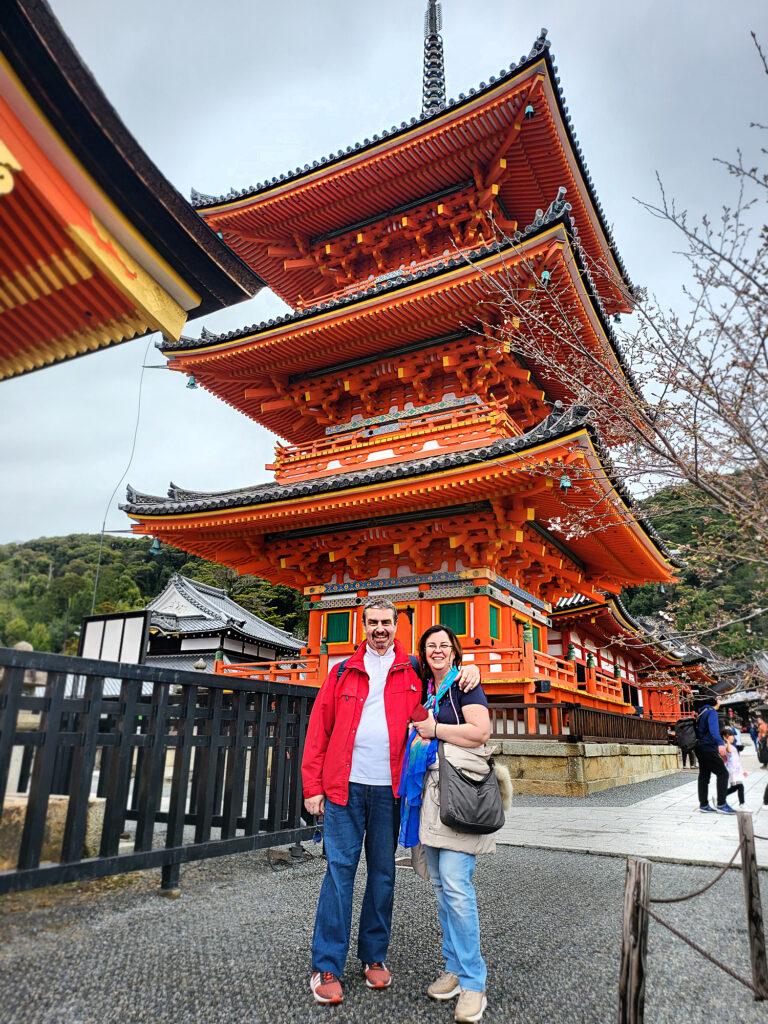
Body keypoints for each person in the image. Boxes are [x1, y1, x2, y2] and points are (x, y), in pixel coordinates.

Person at [300, 598, 480, 1005]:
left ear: (396, 626)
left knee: (383, 873)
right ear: (361, 626)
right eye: (372, 622)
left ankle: (373, 956)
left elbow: (443, 685)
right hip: (344, 785)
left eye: (386, 622)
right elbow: (319, 728)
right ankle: (326, 962)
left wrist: (470, 668)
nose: (379, 629)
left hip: (389, 790)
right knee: (339, 872)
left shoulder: (413, 670)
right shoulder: (342, 670)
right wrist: (313, 786)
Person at [404, 624, 494, 1024]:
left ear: (456, 651)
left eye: (445, 645)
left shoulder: (465, 684)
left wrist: (434, 730)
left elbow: (480, 732)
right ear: (423, 654)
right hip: (430, 794)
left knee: (457, 884)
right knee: (441, 885)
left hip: (457, 791)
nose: (437, 651)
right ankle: (454, 968)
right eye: (431, 647)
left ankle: (475, 982)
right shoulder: (424, 685)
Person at [695, 695, 735, 814]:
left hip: (699, 747)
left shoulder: (701, 712)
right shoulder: (711, 712)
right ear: (715, 701)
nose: (720, 701)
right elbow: (713, 730)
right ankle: (722, 804)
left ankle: (703, 804)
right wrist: (720, 743)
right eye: (719, 699)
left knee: (704, 775)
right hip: (708, 747)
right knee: (722, 773)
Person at [722, 727, 747, 807]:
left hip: (737, 770)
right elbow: (729, 751)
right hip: (732, 770)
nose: (732, 737)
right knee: (740, 786)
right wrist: (728, 742)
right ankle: (742, 803)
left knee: (734, 788)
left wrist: (742, 770)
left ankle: (720, 797)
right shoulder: (725, 746)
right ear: (725, 737)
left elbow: (737, 760)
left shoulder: (733, 747)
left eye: (732, 735)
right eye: (730, 735)